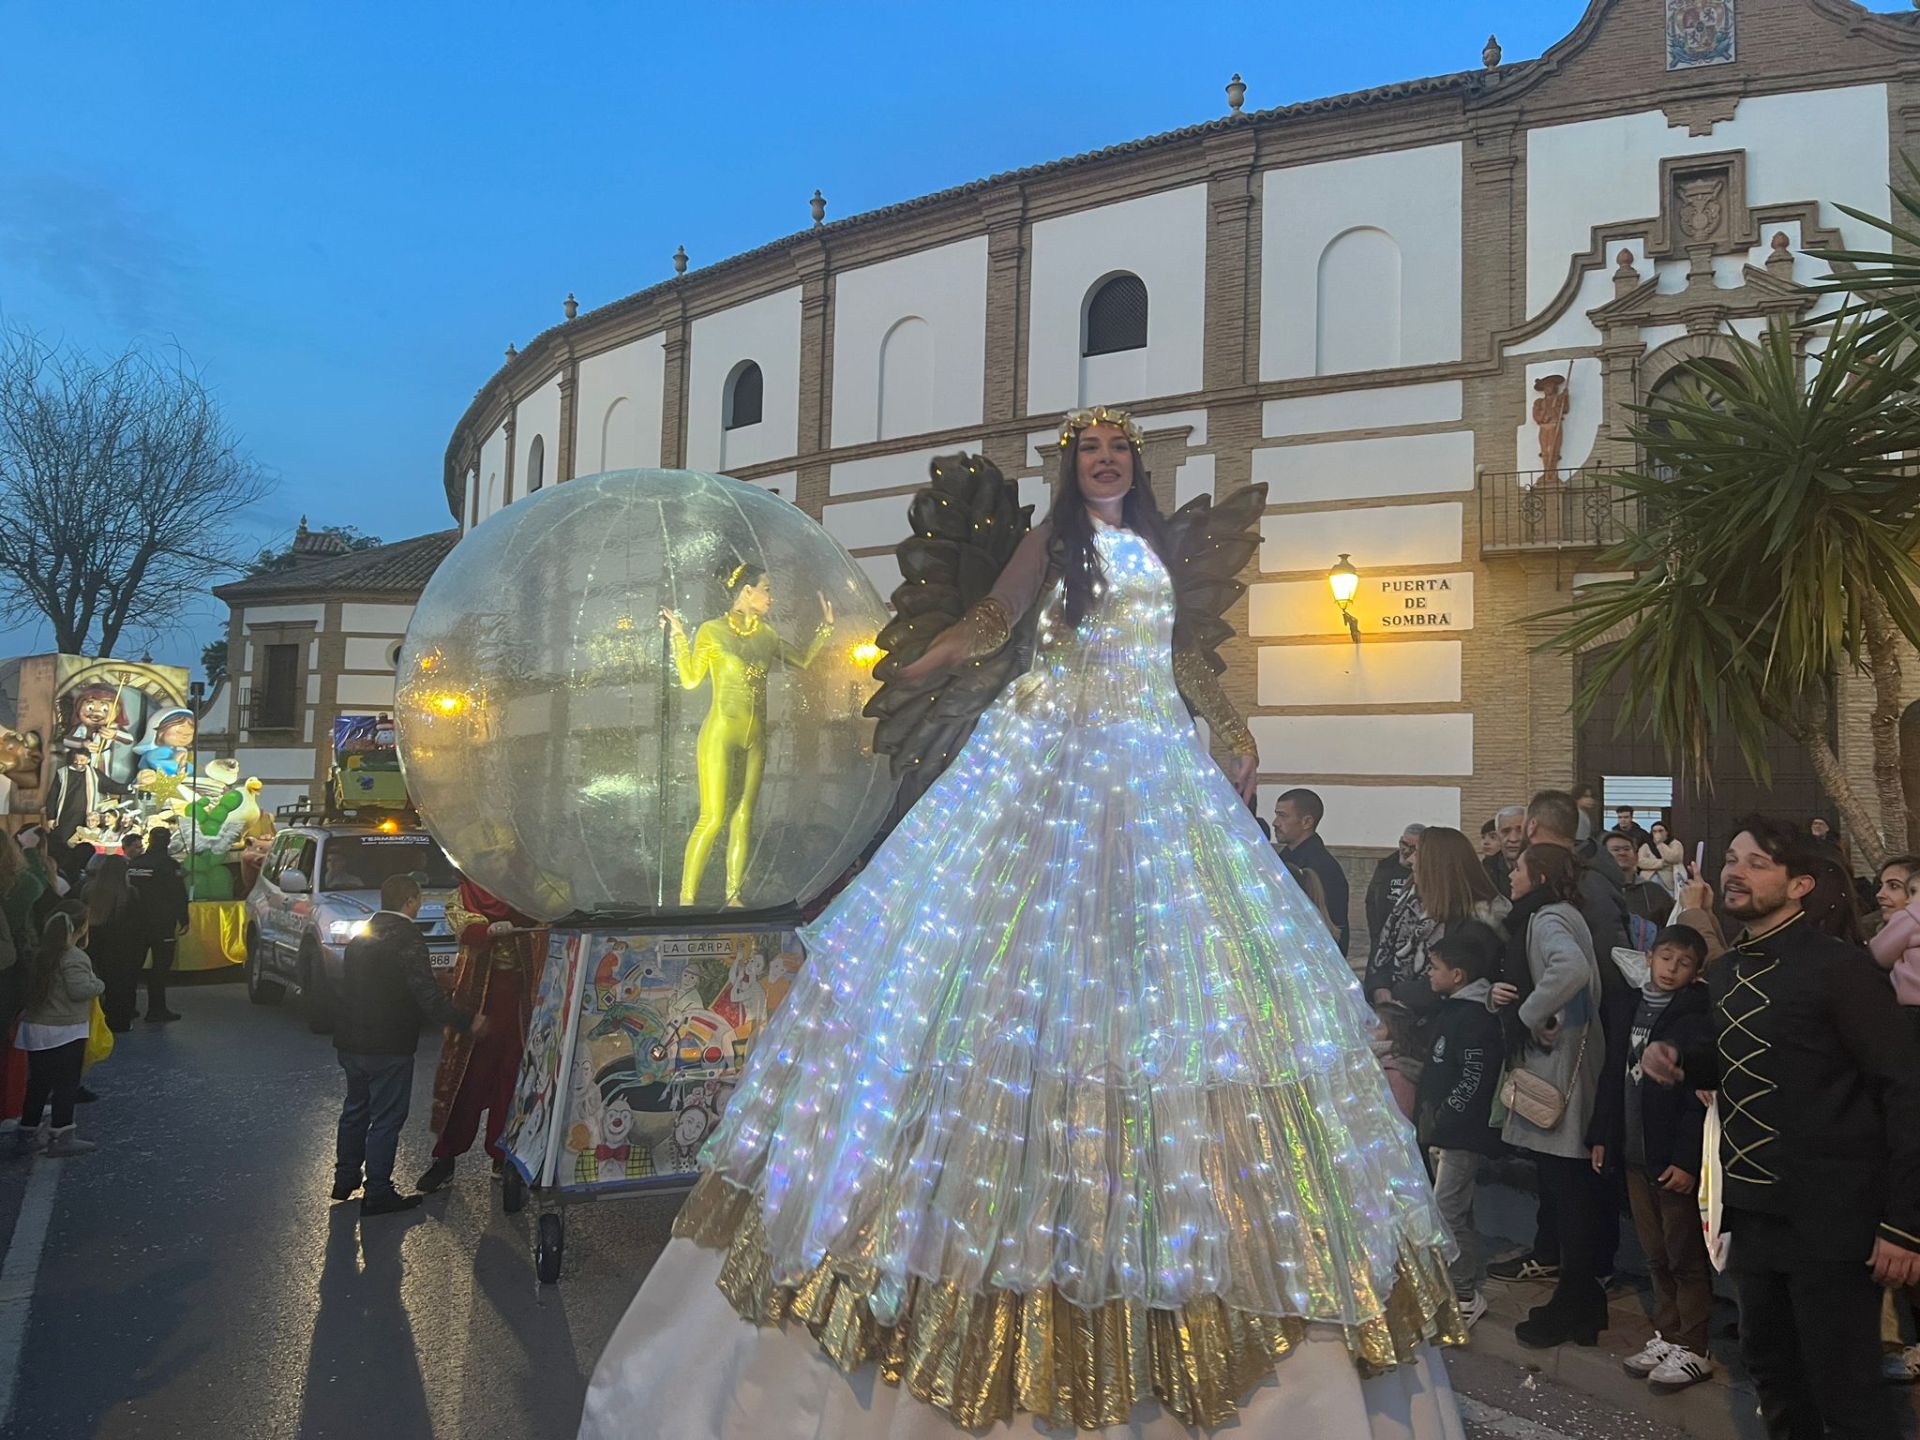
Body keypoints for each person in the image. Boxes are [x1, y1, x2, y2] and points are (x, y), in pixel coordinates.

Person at [577, 409, 1465, 1437]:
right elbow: (995, 623)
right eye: (1089, 452)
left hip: (1150, 777)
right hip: (1039, 765)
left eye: (1118, 454)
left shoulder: (1153, 554)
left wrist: (1229, 732)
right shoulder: (1054, 545)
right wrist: (918, 664)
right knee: (997, 979)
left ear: (1137, 468)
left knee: (1180, 992)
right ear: (1070, 467)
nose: (1104, 463)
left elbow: (1183, 663)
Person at [1643, 818, 1920, 1437]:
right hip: (1755, 1214)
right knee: (1773, 1376)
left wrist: (1905, 1223)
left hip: (1833, 1216)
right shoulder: (1729, 971)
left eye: (1758, 862)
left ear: (1799, 885)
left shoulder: (1841, 969)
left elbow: (1905, 1088)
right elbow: (1770, 1056)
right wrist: (1685, 1063)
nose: (1735, 871)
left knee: (1845, 1392)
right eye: (1732, 858)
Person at [660, 562, 834, 909]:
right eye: (766, 588)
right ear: (746, 592)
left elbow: (801, 661)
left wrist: (826, 630)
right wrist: (678, 634)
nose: (771, 596)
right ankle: (686, 899)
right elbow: (691, 679)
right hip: (720, 734)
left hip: (755, 739)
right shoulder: (711, 631)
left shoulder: (767, 636)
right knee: (712, 817)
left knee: (743, 817)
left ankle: (734, 895)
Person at [1589, 924, 1715, 1394]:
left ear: (1696, 971)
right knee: (1654, 1251)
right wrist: (1602, 1134)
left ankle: (1695, 1344)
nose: (1671, 969)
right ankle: (1668, 1333)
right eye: (1666, 958)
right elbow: (1612, 1074)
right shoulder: (1629, 1005)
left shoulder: (1695, 1014)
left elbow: (1693, 1098)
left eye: (1683, 963)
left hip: (1668, 1156)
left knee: (1684, 1252)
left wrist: (1685, 1160)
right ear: (1649, 957)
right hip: (1634, 1151)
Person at [1496, 842, 1608, 1348]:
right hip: (1574, 1062)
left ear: (1538, 875)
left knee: (1567, 1193)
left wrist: (1529, 1014)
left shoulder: (1545, 919)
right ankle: (1582, 1305)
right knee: (1570, 1192)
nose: (1511, 875)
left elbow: (1571, 971)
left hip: (1561, 1070)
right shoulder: (1563, 914)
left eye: (1518, 868)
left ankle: (1576, 1300)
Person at [331, 874, 485, 1216]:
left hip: (351, 1040)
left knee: (355, 1110)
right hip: (389, 1043)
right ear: (411, 901)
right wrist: (464, 1021)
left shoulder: (364, 933)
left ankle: (344, 1179)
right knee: (386, 1117)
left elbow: (375, 981)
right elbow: (424, 995)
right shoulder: (407, 936)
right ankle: (379, 1192)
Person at [416, 879, 544, 1193]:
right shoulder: (467, 888)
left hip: (519, 1005)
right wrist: (486, 930)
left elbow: (545, 923)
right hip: (477, 1006)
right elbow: (461, 923)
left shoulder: (530, 888)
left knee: (512, 1083)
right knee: (463, 1084)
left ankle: (504, 1156)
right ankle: (445, 1158)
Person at [1415, 920, 1507, 1331]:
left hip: (1459, 1134)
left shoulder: (1474, 1018)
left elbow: (1473, 1076)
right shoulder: (1451, 1010)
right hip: (1441, 1131)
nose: (1429, 974)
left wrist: (1447, 1114)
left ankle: (1465, 1293)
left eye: (1435, 967)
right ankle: (1449, 1285)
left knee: (1448, 1211)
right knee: (1452, 1209)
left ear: (1458, 975)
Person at [12, 908, 103, 1156]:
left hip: (36, 1028)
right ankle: (62, 1135)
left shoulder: (40, 955)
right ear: (79, 929)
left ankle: (27, 1130)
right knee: (66, 1083)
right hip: (65, 1029)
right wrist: (99, 984)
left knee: (38, 1082)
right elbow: (78, 990)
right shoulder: (73, 956)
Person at [1272, 786, 1351, 955]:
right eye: (1276, 814)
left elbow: (1331, 927)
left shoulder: (1322, 867)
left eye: (1283, 816)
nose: (1275, 822)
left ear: (1307, 822)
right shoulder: (1283, 858)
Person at [127, 831, 189, 1023]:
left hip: (134, 922)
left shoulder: (134, 864)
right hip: (162, 923)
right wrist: (184, 918)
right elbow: (178, 894)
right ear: (168, 842)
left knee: (131, 965)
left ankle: (126, 1006)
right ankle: (156, 1009)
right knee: (160, 967)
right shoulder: (169, 866)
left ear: (149, 841)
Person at [81, 857, 145, 1031]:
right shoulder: (130, 893)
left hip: (95, 945)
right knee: (123, 986)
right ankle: (121, 1021)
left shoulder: (88, 890)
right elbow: (138, 925)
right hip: (124, 947)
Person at [1365, 824, 1424, 961]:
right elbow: (1371, 901)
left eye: (1413, 847)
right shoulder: (1386, 867)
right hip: (1383, 937)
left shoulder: (1424, 874)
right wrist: (1376, 936)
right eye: (1404, 844)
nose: (1406, 851)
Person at [1606, 831, 1670, 946]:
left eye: (1627, 849)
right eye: (1616, 850)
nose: (1622, 853)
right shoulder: (1595, 891)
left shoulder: (1655, 891)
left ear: (1636, 857)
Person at [1485, 805, 1526, 894]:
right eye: (1506, 831)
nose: (1513, 839)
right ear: (1497, 836)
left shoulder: (1545, 869)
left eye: (1520, 831)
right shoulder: (1484, 872)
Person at [1636, 821, 1684, 895]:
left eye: (1660, 831)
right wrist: (1661, 863)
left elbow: (1674, 858)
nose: (1657, 833)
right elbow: (1640, 862)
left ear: (1666, 832)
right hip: (1649, 878)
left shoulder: (1675, 843)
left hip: (1668, 881)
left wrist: (1660, 844)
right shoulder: (1646, 845)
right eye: (1654, 831)